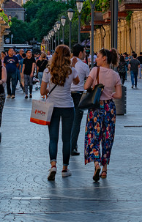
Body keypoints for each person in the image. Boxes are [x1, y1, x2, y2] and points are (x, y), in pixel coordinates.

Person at [41, 45, 80, 180]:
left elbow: (42, 92)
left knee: (53, 138)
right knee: (66, 139)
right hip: (68, 106)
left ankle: (53, 165)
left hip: (52, 107)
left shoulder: (48, 71)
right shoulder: (72, 71)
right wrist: (72, 65)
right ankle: (65, 168)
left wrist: (49, 91)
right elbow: (77, 81)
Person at [83, 48, 123, 182]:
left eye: (98, 56)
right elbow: (119, 95)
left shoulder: (95, 70)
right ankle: (104, 168)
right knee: (107, 137)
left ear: (104, 58)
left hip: (96, 107)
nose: (96, 59)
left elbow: (85, 86)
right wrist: (110, 94)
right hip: (109, 107)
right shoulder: (115, 75)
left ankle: (96, 164)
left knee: (94, 135)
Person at [70, 44, 90, 156]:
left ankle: (67, 145)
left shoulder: (67, 64)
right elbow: (89, 80)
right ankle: (73, 146)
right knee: (77, 121)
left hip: (67, 95)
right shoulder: (83, 66)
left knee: (68, 121)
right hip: (79, 95)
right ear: (80, 53)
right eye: (84, 51)